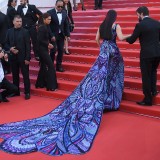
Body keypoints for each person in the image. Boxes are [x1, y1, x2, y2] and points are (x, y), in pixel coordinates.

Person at [0, 10, 129, 156]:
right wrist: (132, 35)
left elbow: (96, 39)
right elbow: (121, 38)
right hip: (114, 54)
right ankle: (110, 101)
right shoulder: (115, 26)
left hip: (103, 54)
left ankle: (103, 101)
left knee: (98, 79)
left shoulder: (102, 25)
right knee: (111, 79)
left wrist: (102, 48)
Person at [126, 6, 160, 106]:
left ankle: (148, 99)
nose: (137, 17)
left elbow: (132, 40)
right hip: (157, 53)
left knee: (146, 76)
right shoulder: (157, 23)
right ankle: (154, 91)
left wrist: (125, 38)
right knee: (153, 72)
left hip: (146, 54)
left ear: (141, 14)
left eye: (137, 15)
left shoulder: (140, 25)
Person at [5, 15, 31, 100]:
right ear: (13, 22)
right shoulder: (9, 31)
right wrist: (10, 49)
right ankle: (16, 92)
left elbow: (28, 46)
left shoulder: (25, 31)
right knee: (15, 76)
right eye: (17, 21)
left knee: (25, 75)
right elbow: (6, 43)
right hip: (13, 57)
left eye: (20, 21)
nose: (19, 23)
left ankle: (27, 92)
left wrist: (28, 58)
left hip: (23, 58)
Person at [35, 13, 58, 91]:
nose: (50, 21)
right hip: (42, 50)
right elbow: (39, 40)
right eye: (48, 19)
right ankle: (51, 86)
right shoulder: (42, 28)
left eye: (50, 19)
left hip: (43, 49)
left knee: (43, 66)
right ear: (44, 19)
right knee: (51, 66)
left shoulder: (45, 26)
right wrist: (48, 44)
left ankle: (40, 83)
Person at [47, 0, 70, 72]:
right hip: (53, 35)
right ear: (55, 5)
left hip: (61, 35)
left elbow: (66, 24)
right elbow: (47, 26)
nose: (60, 8)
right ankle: (50, 65)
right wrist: (51, 35)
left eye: (61, 6)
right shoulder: (50, 12)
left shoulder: (64, 12)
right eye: (58, 6)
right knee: (53, 51)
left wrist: (68, 35)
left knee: (60, 50)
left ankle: (58, 65)